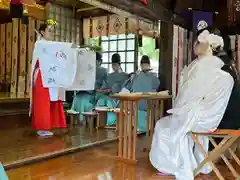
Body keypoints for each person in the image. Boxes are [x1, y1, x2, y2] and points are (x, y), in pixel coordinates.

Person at [149, 30, 234, 179]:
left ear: (208, 46)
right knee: (177, 124)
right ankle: (200, 164)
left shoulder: (203, 66)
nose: (195, 44)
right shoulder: (215, 66)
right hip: (211, 117)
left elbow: (188, 96)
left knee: (163, 126)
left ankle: (173, 165)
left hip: (200, 117)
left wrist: (178, 109)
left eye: (198, 42)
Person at [30, 19, 66, 137]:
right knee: (42, 100)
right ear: (42, 32)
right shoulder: (39, 43)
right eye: (49, 31)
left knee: (53, 99)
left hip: (51, 74)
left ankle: (51, 124)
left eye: (53, 31)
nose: (52, 33)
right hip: (42, 75)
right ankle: (42, 127)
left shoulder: (49, 44)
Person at [126, 55, 160, 132]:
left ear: (149, 65)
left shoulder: (153, 76)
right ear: (141, 66)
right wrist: (134, 77)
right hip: (139, 102)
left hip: (147, 102)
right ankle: (137, 126)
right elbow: (130, 87)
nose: (144, 66)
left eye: (146, 65)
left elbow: (156, 86)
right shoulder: (136, 75)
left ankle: (143, 127)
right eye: (143, 65)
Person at [71, 52, 107, 121]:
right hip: (88, 94)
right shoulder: (102, 70)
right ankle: (85, 120)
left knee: (81, 98)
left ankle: (81, 120)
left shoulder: (101, 70)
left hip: (86, 95)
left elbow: (105, 85)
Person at [96, 53, 128, 126]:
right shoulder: (109, 76)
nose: (114, 67)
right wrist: (103, 90)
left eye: (115, 65)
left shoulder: (125, 76)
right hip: (110, 97)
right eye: (112, 65)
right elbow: (104, 86)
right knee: (102, 100)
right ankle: (103, 122)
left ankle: (118, 122)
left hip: (120, 98)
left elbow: (126, 89)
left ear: (119, 64)